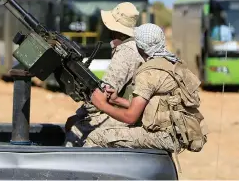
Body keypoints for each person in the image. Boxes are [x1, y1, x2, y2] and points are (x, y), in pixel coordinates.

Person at [83, 23, 209, 171]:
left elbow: (130, 117)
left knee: (96, 137)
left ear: (140, 47)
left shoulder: (148, 73)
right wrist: (117, 100)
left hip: (164, 135)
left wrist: (101, 104)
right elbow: (155, 105)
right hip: (177, 131)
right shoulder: (172, 62)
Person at [64, 2, 144, 147]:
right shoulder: (136, 46)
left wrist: (81, 114)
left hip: (126, 114)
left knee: (76, 130)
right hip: (129, 109)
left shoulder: (126, 52)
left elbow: (103, 96)